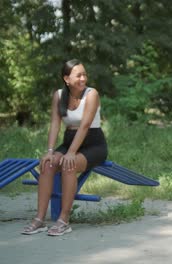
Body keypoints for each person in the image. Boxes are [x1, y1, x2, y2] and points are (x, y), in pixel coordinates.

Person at [22, 59, 108, 236]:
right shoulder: (59, 95)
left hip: (93, 143)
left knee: (70, 164)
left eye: (85, 74)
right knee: (47, 164)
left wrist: (70, 153)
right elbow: (55, 124)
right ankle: (39, 219)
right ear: (66, 79)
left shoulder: (92, 94)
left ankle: (63, 220)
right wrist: (51, 151)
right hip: (69, 141)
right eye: (79, 75)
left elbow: (84, 126)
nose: (83, 78)